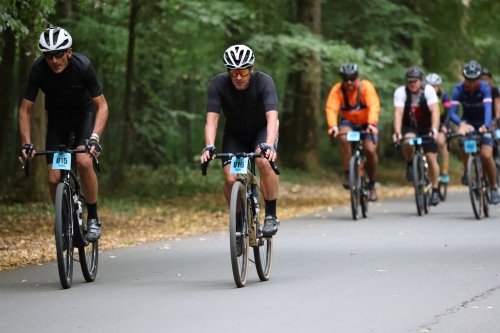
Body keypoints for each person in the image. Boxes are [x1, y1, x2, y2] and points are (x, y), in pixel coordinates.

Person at [18, 26, 108, 241]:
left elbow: (102, 106)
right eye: (48, 55)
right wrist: (26, 143)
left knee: (84, 162)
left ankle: (93, 217)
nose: (54, 60)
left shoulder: (82, 65)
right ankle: (65, 221)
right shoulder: (39, 69)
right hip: (58, 121)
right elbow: (24, 110)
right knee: (53, 178)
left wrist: (95, 138)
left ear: (69, 51)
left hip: (83, 116)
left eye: (59, 54)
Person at [199, 45, 280, 236]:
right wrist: (209, 145)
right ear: (228, 71)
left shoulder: (264, 82)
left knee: (263, 161)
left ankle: (270, 215)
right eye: (233, 72)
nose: (238, 77)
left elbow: (272, 118)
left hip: (261, 133)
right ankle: (238, 225)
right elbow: (212, 120)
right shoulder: (218, 84)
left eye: (243, 71)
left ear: (251, 68)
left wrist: (269, 144)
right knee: (231, 178)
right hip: (235, 136)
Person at [325, 62, 381, 201]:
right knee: (343, 138)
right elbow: (331, 108)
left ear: (357, 77)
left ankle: (372, 185)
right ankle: (348, 173)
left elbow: (373, 106)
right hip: (349, 122)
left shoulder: (366, 87)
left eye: (352, 78)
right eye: (345, 79)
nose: (349, 82)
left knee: (370, 149)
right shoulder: (337, 90)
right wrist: (333, 127)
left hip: (368, 122)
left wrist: (372, 124)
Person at [450, 60, 500, 204]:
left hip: (484, 122)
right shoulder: (458, 89)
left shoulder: (485, 88)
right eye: (468, 80)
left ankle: (493, 188)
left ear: (478, 79)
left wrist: (486, 125)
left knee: (485, 154)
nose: (471, 83)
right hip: (468, 122)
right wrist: (462, 124)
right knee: (463, 139)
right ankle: (467, 170)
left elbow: (488, 108)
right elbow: (452, 113)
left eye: (474, 80)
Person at [393, 66, 441, 206]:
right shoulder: (401, 92)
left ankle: (435, 189)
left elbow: (435, 112)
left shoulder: (428, 91)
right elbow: (398, 114)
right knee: (407, 141)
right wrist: (397, 132)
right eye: (409, 81)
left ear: (421, 81)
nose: (412, 84)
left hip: (427, 127)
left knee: (431, 157)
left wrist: (434, 129)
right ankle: (409, 163)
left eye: (415, 81)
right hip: (411, 126)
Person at [426, 73, 452, 184]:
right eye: (430, 86)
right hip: (428, 124)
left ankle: (445, 172)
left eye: (435, 86)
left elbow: (448, 113)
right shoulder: (424, 95)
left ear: (439, 86)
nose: (432, 89)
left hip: (442, 123)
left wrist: (445, 126)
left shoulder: (444, 97)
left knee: (441, 142)